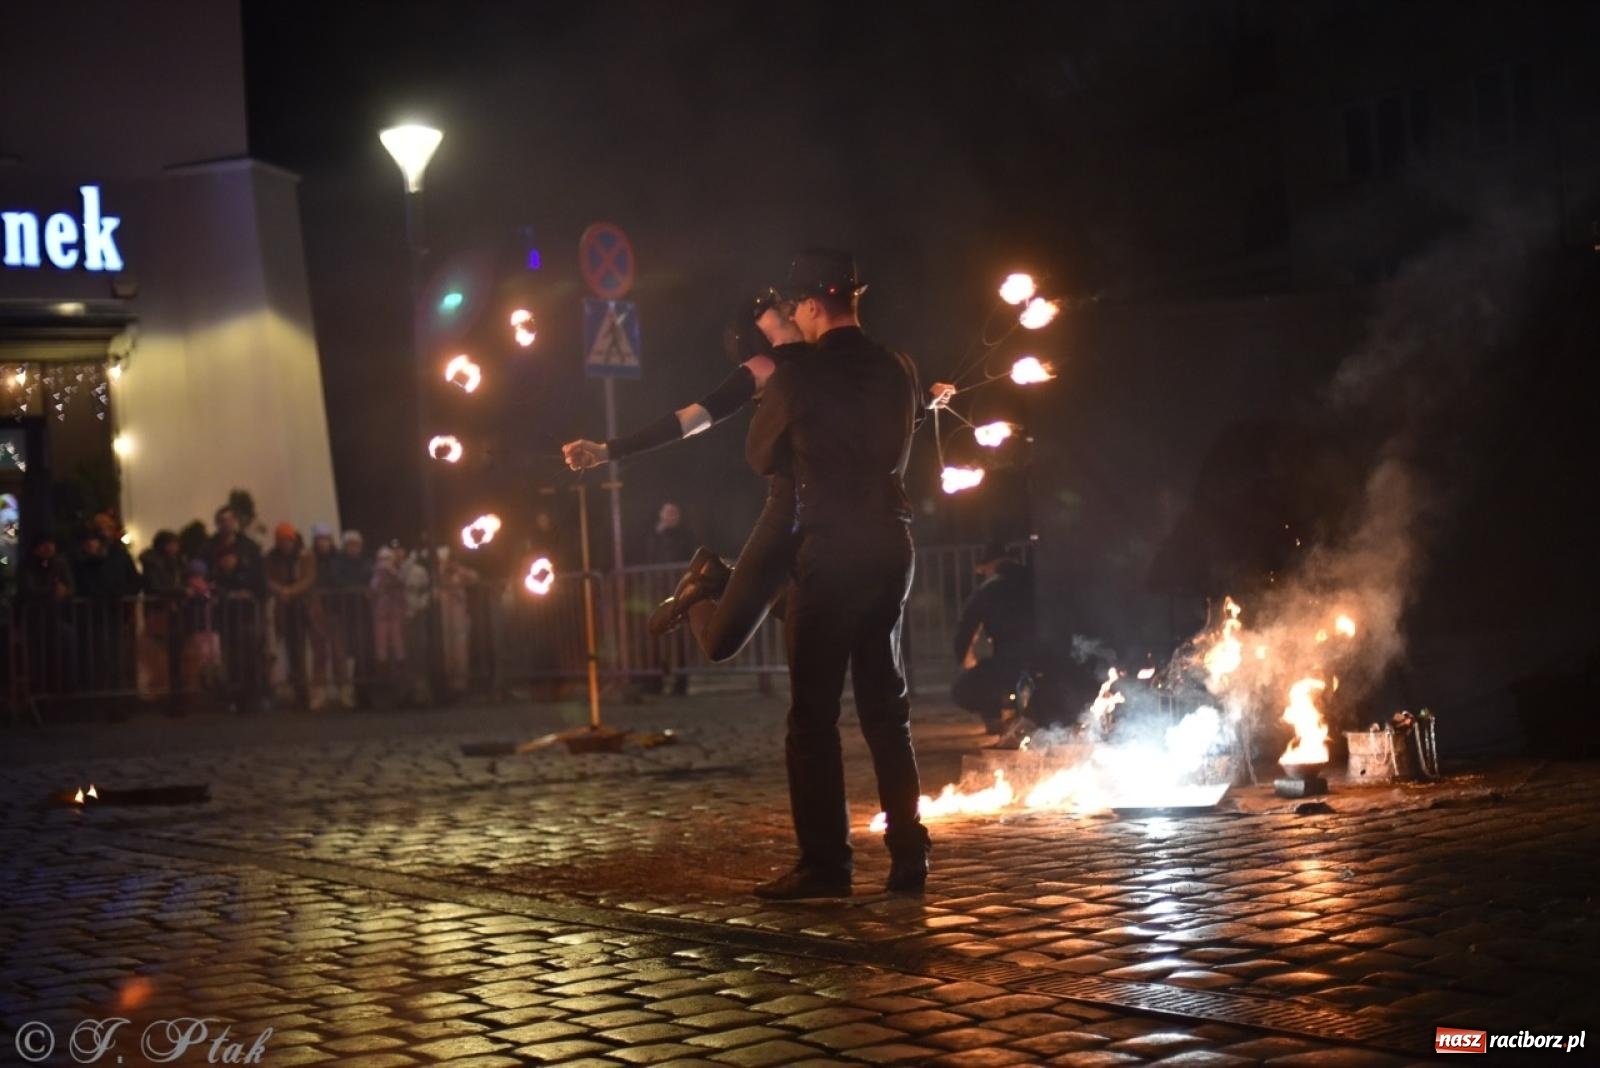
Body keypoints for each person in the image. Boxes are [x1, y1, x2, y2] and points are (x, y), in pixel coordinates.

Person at [743, 248, 929, 900]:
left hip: (829, 549)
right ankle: (908, 853)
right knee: (886, 707)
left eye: (793, 308)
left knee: (813, 717)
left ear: (811, 306)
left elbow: (760, 455)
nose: (791, 319)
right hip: (892, 541)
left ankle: (826, 865)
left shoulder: (798, 376)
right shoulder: (898, 366)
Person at [562, 290, 808, 664]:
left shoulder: (826, 358)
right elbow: (689, 420)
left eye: (780, 299)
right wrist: (609, 450)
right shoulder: (763, 367)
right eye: (765, 306)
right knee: (720, 642)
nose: (783, 304)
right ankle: (702, 589)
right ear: (758, 330)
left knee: (811, 614)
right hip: (787, 509)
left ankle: (719, 579)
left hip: (824, 508)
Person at [950, 542, 1037, 734]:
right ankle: (1031, 715)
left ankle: (995, 718)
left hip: (1008, 663)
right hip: (1048, 660)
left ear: (989, 565)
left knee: (964, 688)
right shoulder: (1037, 581)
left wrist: (965, 661)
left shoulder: (988, 589)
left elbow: (965, 632)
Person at [263, 522, 315, 709]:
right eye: (281, 540)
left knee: (301, 650)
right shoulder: (271, 558)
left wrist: (290, 591)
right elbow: (267, 578)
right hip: (282, 608)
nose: (285, 544)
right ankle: (291, 689)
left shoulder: (305, 555)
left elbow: (308, 578)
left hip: (303, 607)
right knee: (283, 650)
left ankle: (304, 692)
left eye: (287, 540)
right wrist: (281, 591)